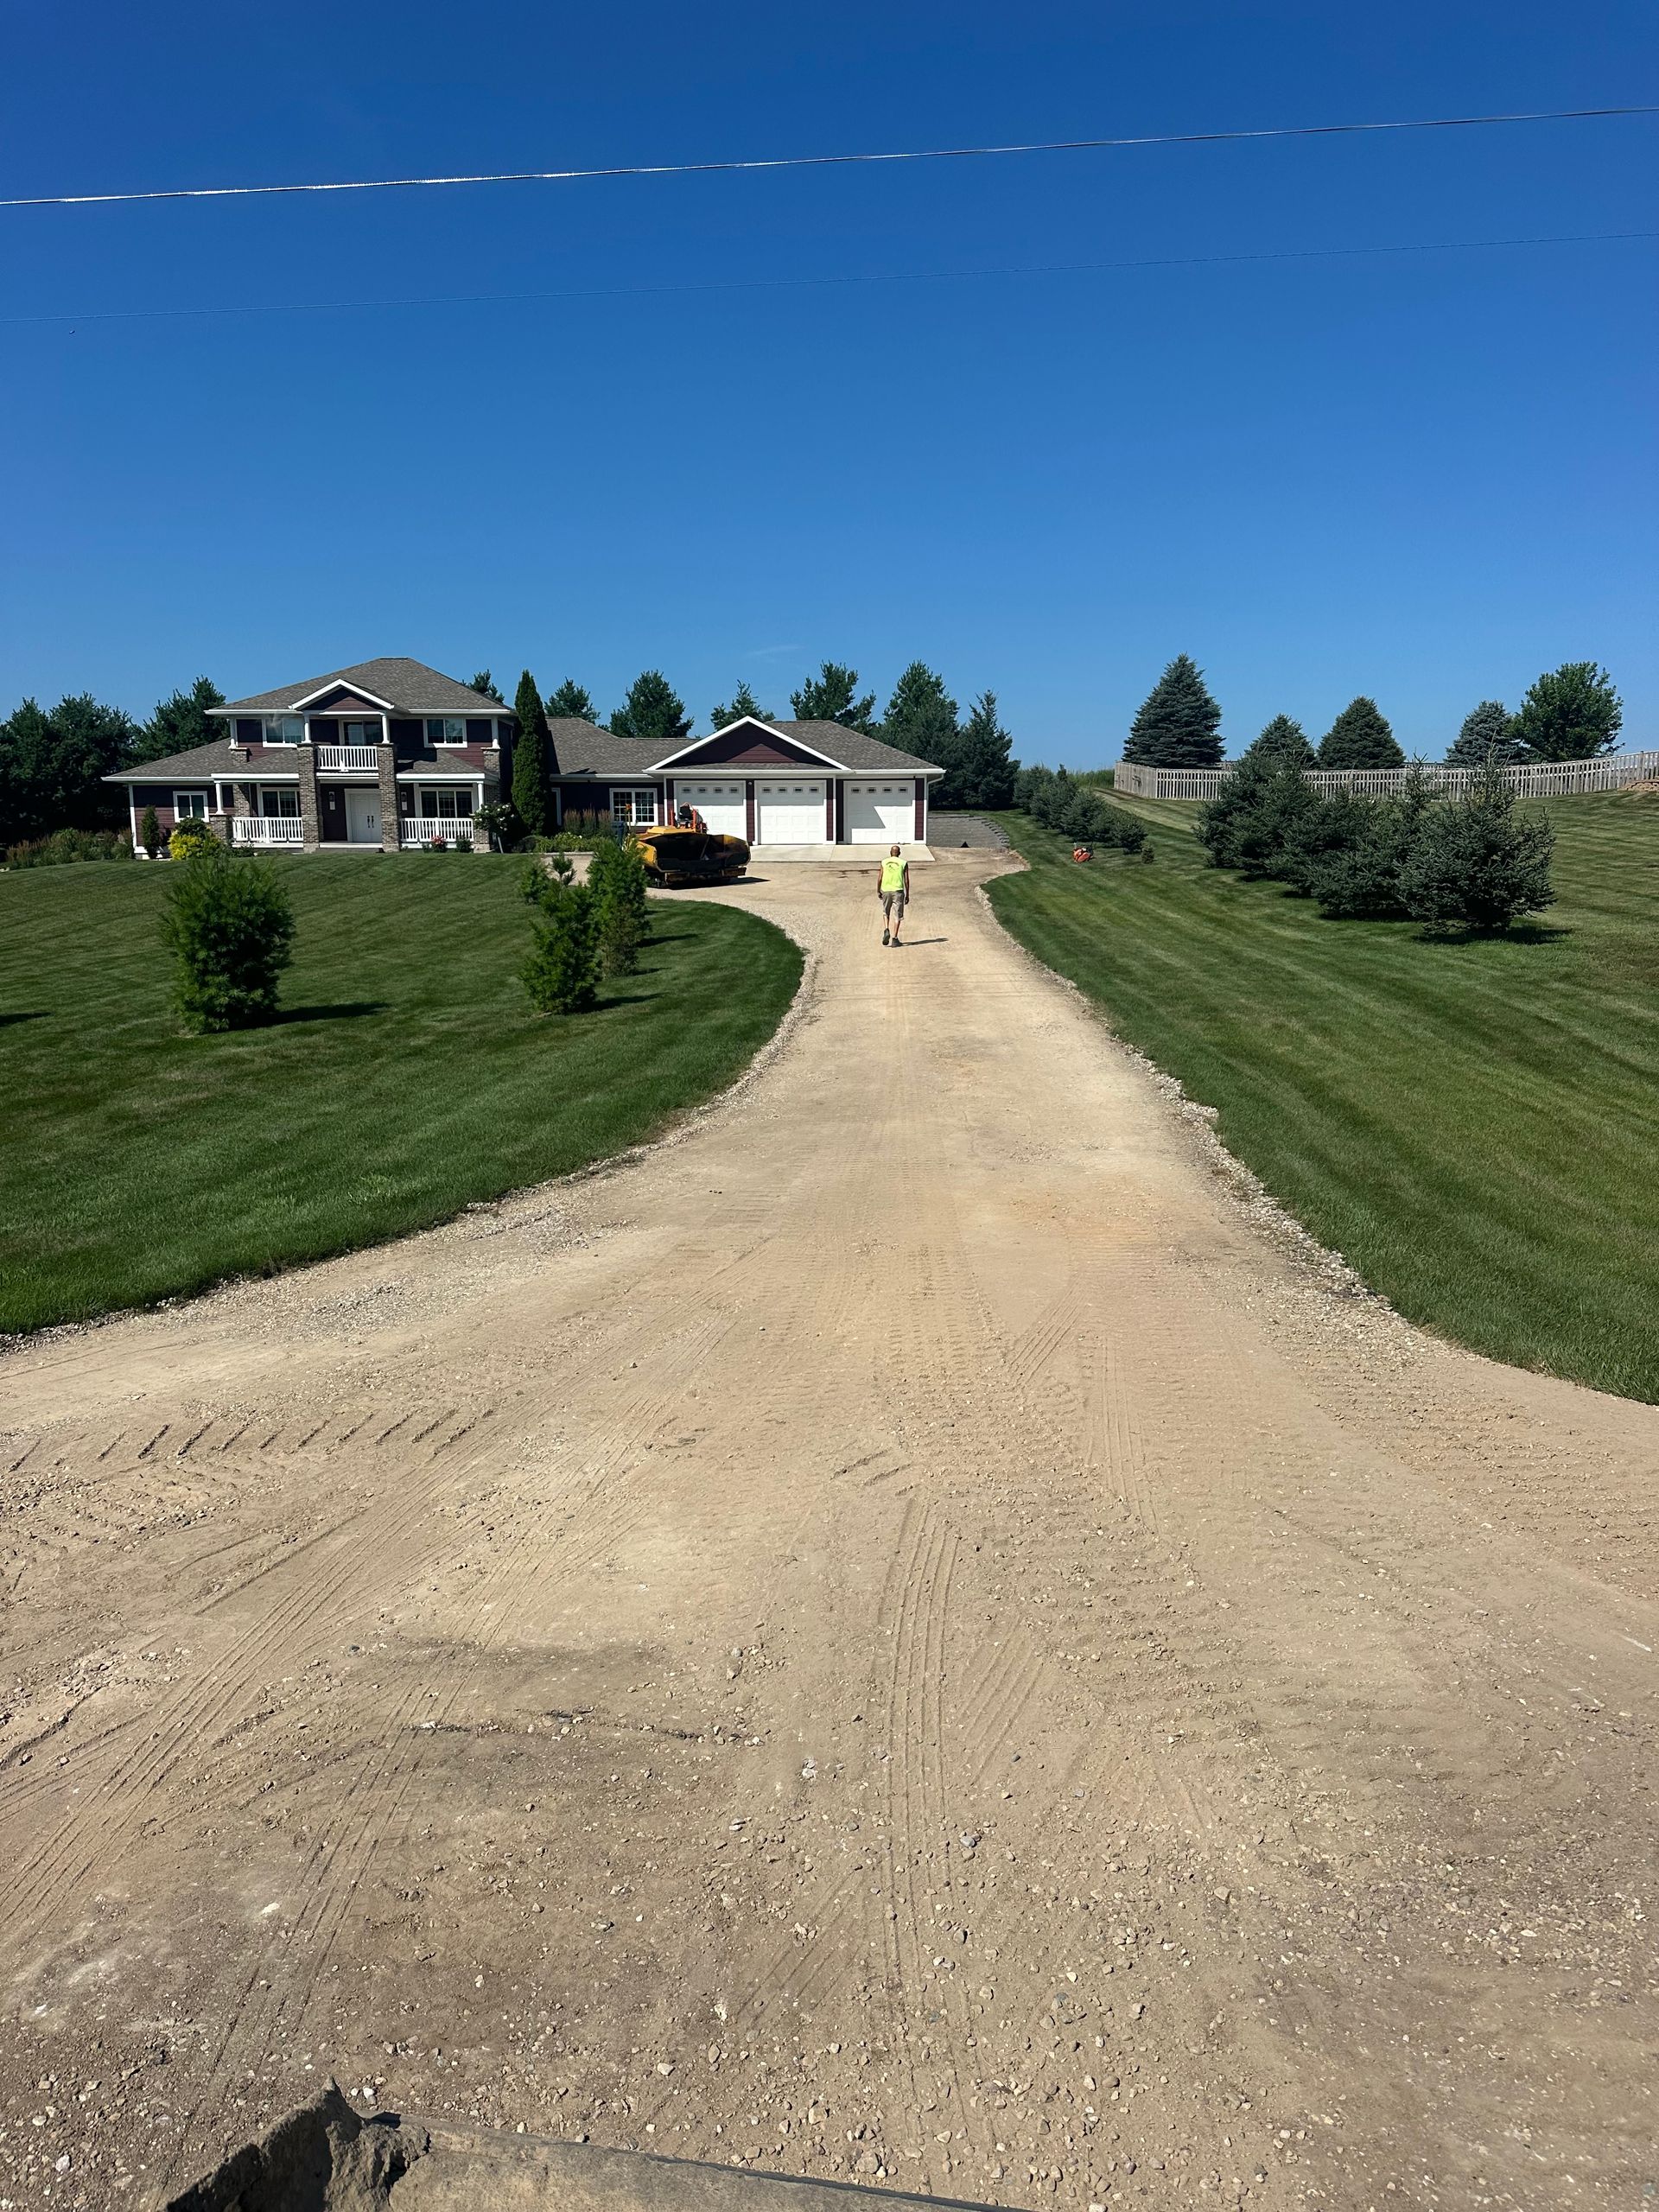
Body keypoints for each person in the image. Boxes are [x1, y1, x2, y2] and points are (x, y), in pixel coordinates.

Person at [878, 844, 910, 947]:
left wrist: (878, 890)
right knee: (897, 915)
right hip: (898, 891)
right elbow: (906, 880)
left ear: (890, 853)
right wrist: (907, 894)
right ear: (899, 853)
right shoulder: (903, 863)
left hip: (886, 890)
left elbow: (880, 878)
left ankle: (886, 929)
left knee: (885, 912)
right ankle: (895, 939)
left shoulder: (884, 862)